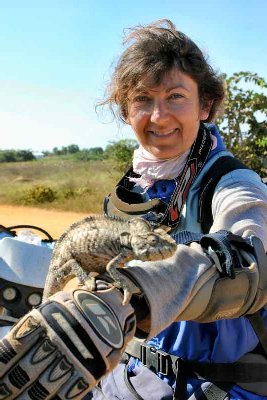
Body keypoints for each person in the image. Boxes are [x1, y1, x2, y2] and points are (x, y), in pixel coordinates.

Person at [0, 19, 266, 400]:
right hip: (127, 376)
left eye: (176, 96)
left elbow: (243, 259)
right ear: (126, 111)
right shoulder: (131, 188)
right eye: (143, 99)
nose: (159, 116)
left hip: (211, 386)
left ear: (205, 105)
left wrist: (140, 291)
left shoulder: (233, 183)